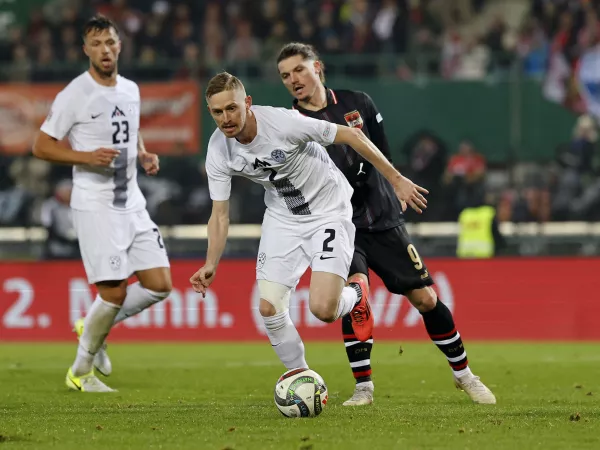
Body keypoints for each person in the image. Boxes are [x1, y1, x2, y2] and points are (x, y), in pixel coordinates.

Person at [276, 42, 496, 405]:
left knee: (425, 298)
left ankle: (465, 376)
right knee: (356, 296)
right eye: (285, 76)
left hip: (381, 218)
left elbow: (381, 153)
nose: (293, 80)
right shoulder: (290, 125)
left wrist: (396, 181)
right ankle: (364, 387)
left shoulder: (357, 102)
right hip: (337, 224)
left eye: (299, 70)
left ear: (317, 67)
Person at [189, 72, 428, 392]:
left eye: (231, 108)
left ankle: (358, 294)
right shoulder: (219, 149)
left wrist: (396, 179)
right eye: (217, 112)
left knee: (324, 310)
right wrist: (210, 264)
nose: (226, 119)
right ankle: (302, 381)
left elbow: (353, 136)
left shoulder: (285, 123)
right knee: (269, 309)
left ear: (247, 103)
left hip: (328, 211)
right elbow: (220, 215)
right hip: (282, 219)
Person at [32, 16, 172, 392]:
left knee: (160, 284)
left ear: (120, 45)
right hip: (95, 205)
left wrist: (142, 154)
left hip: (133, 201)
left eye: (110, 42)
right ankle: (80, 371)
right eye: (96, 44)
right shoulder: (75, 94)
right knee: (113, 292)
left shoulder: (130, 89)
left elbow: (131, 127)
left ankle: (92, 323)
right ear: (85, 49)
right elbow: (41, 146)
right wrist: (85, 157)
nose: (105, 50)